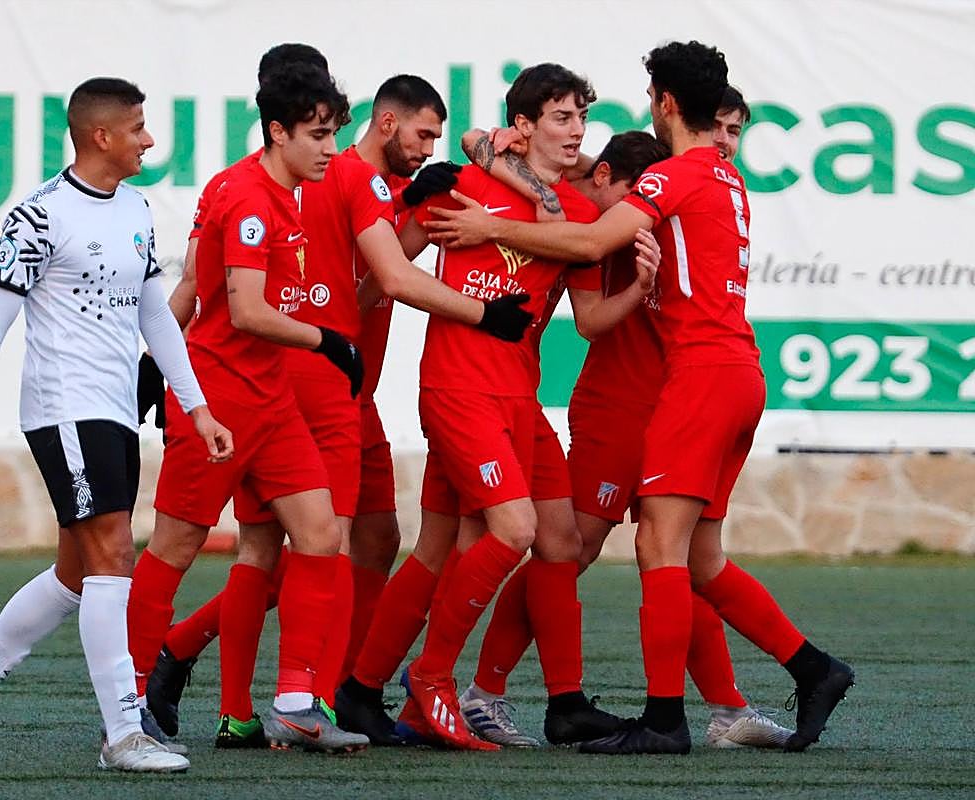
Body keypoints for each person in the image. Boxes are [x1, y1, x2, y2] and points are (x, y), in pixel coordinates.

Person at [425, 41, 854, 755]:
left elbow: (592, 240)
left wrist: (493, 224)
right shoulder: (708, 179)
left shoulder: (670, 181)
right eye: (560, 118)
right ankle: (787, 678)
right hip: (690, 388)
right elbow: (582, 246)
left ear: (663, 103)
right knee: (662, 554)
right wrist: (497, 158)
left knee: (657, 549)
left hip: (694, 385)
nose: (575, 129)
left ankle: (679, 716)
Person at [145, 73, 533, 748]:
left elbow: (327, 279)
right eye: (421, 134)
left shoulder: (289, 185)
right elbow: (380, 282)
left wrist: (159, 360)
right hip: (319, 386)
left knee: (336, 542)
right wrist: (485, 312)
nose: (430, 146)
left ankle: (258, 691)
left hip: (329, 386)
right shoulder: (344, 183)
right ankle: (308, 698)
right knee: (319, 541)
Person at [0, 77, 232, 773]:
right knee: (115, 552)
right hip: (63, 407)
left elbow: (158, 316)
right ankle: (124, 733)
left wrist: (197, 405)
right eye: (140, 127)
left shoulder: (136, 209)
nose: (150, 139)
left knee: (76, 569)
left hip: (116, 411)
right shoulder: (38, 215)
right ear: (101, 137)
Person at [394, 63, 641, 751]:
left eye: (581, 120)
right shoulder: (468, 177)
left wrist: (640, 285)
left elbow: (589, 318)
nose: (576, 132)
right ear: (523, 124)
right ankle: (429, 678)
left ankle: (563, 704)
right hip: (459, 386)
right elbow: (392, 262)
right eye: (561, 118)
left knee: (558, 544)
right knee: (502, 533)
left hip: (519, 397)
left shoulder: (582, 212)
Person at [124, 63, 370, 754]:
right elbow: (245, 308)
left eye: (333, 135)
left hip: (271, 399)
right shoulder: (251, 201)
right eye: (318, 136)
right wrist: (328, 340)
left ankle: (295, 702)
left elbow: (197, 281)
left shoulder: (279, 189)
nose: (329, 149)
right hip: (221, 402)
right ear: (277, 130)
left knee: (320, 534)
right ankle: (128, 701)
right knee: (175, 546)